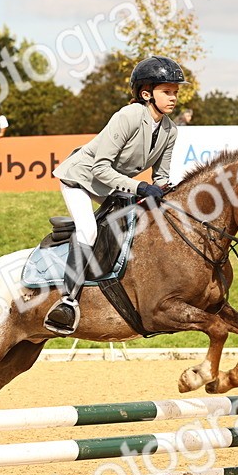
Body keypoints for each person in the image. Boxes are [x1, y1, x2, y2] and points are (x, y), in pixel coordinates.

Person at [43, 55, 183, 335]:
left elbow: (161, 177)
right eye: (167, 91)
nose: (173, 98)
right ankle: (67, 302)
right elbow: (99, 167)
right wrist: (140, 188)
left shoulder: (170, 130)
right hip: (81, 179)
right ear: (146, 94)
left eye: (176, 92)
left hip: (113, 187)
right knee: (89, 231)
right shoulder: (128, 116)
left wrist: (168, 192)